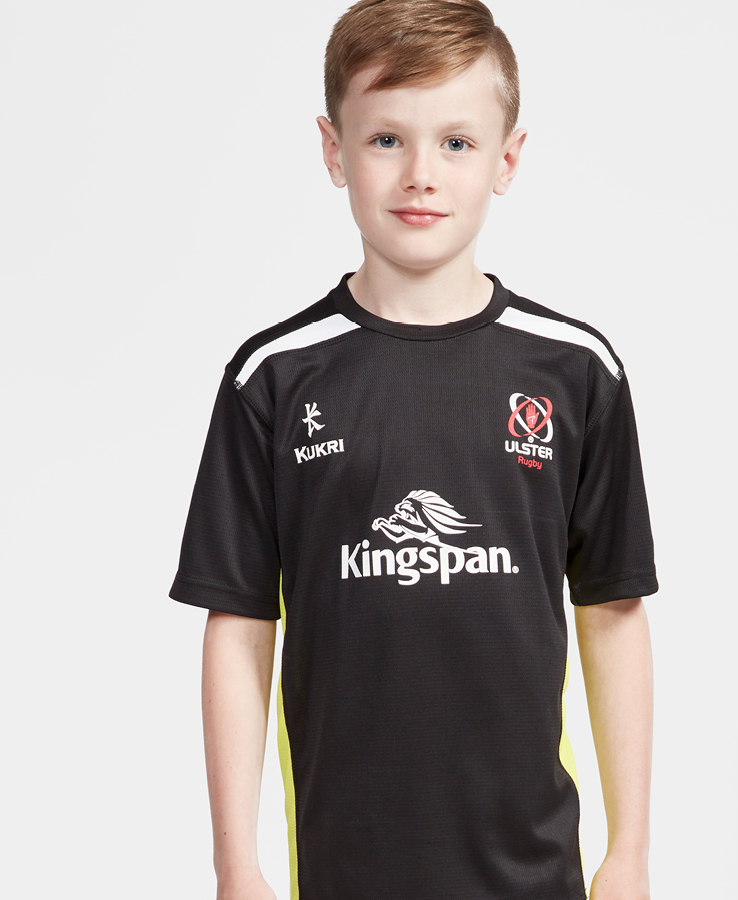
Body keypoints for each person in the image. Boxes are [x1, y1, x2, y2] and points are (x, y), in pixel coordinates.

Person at [169, 2, 659, 899]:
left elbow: (612, 608)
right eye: (386, 139)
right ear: (334, 150)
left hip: (534, 875)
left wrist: (628, 853)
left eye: (457, 143)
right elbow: (239, 623)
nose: (421, 175)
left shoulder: (575, 371)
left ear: (507, 159)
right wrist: (235, 864)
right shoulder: (274, 379)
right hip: (345, 871)